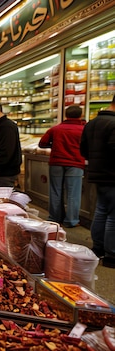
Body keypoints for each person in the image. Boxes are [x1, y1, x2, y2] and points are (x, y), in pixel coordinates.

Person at [80, 95, 115, 267]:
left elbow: (83, 149)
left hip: (97, 173)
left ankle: (98, 248)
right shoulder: (114, 124)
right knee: (113, 216)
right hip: (112, 174)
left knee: (101, 211)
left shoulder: (91, 123)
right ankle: (111, 255)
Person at [38, 105, 86, 228]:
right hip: (75, 163)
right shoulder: (84, 129)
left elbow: (42, 143)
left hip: (57, 163)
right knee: (73, 193)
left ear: (66, 115)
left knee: (55, 191)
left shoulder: (55, 129)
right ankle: (71, 220)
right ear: (80, 115)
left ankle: (54, 218)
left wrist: (55, 146)